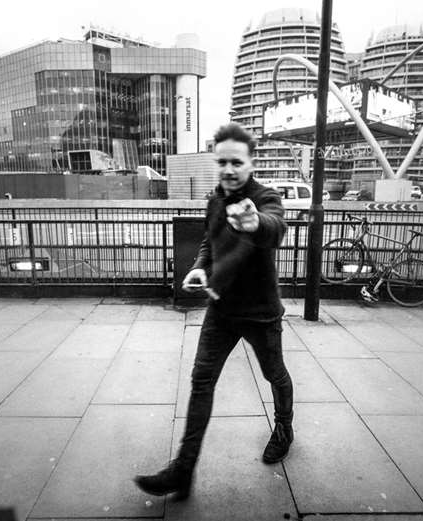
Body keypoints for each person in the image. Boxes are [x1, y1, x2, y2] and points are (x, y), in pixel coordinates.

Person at [134, 122, 294, 500]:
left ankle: (284, 428)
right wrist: (197, 267)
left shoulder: (265, 197)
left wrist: (256, 222)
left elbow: (275, 226)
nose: (228, 170)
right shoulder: (215, 199)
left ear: (251, 162)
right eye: (222, 161)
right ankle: (183, 471)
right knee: (201, 381)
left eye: (236, 162)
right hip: (221, 309)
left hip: (260, 313)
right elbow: (210, 241)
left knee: (275, 374)